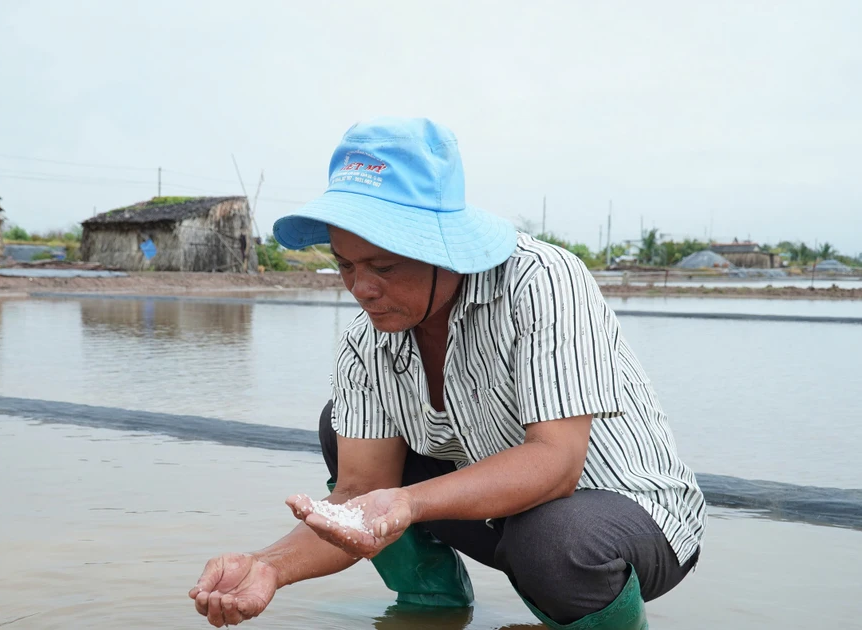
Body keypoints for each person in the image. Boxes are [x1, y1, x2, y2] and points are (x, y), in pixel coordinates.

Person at [189, 117, 706, 629]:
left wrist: (407, 503)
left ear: (442, 248)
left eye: (383, 267)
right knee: (339, 425)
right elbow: (357, 496)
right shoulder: (366, 342)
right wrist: (268, 566)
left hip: (627, 516)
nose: (361, 289)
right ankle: (433, 605)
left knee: (552, 541)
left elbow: (557, 463)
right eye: (346, 265)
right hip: (504, 518)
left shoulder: (541, 281)